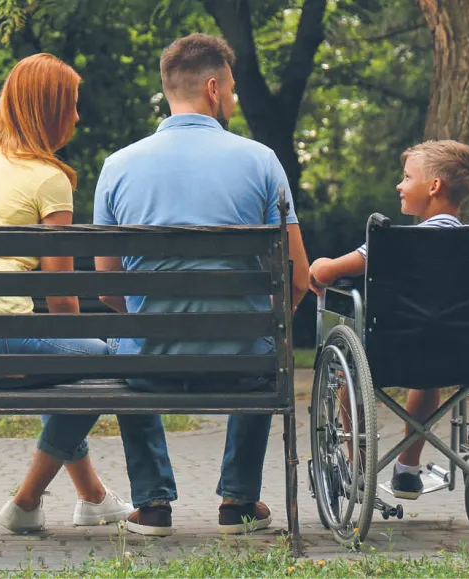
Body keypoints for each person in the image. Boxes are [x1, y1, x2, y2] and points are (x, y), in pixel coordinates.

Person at [77, 33, 312, 537]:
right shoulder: (262, 161)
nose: (232, 99)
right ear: (212, 88)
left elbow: (108, 286)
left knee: (127, 342)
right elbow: (299, 276)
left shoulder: (118, 166)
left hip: (150, 367)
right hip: (243, 365)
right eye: (230, 90)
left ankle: (154, 504)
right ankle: (239, 502)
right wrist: (265, 323)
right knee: (267, 343)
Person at [0, 53, 148, 534]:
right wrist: (81, 348)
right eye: (72, 104)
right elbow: (60, 298)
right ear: (50, 109)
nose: (78, 116)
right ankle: (26, 501)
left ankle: (92, 497)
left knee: (62, 360)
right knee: (104, 359)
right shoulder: (50, 178)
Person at [307, 139, 469, 499]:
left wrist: (318, 266)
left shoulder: (392, 243)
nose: (399, 185)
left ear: (433, 187)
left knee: (346, 374)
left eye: (406, 177)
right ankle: (406, 470)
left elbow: (328, 273)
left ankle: (359, 470)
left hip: (390, 355)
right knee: (429, 369)